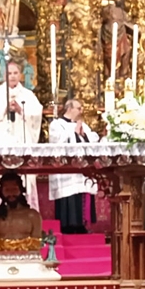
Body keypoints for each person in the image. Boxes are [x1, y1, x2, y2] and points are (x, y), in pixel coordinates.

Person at [0, 60, 42, 210]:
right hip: (2, 139)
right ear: (4, 75)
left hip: (22, 138)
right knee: (1, 174)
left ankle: (28, 212)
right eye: (9, 73)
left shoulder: (28, 95)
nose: (13, 76)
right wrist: (4, 110)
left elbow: (36, 115)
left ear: (20, 75)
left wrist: (21, 110)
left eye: (15, 73)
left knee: (25, 176)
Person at [47, 98, 98, 234]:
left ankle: (83, 225)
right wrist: (74, 132)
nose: (81, 111)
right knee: (68, 196)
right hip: (66, 170)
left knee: (82, 191)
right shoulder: (56, 124)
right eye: (79, 108)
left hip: (81, 170)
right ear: (69, 109)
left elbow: (93, 139)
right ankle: (67, 226)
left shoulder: (83, 125)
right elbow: (56, 140)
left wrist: (83, 134)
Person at [0, 172, 42, 241]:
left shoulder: (32, 215)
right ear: (1, 192)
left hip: (26, 251)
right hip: (0, 251)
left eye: (14, 189)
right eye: (7, 190)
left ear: (21, 190)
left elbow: (36, 244)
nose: (11, 193)